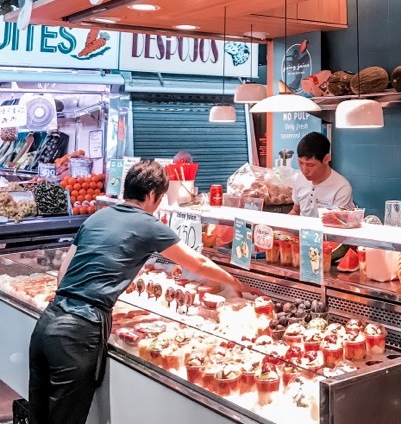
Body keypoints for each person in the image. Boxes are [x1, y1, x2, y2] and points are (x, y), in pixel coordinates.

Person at [28, 160, 244, 424]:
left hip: (47, 322)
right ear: (152, 194)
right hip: (77, 333)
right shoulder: (147, 224)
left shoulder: (97, 216)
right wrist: (233, 282)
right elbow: (198, 263)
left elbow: (64, 272)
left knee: (38, 418)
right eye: (161, 197)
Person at [290, 132, 353, 217]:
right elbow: (296, 211)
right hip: (302, 230)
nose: (304, 170)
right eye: (300, 163)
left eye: (310, 165)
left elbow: (337, 223)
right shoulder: (300, 179)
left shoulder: (341, 188)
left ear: (326, 159)